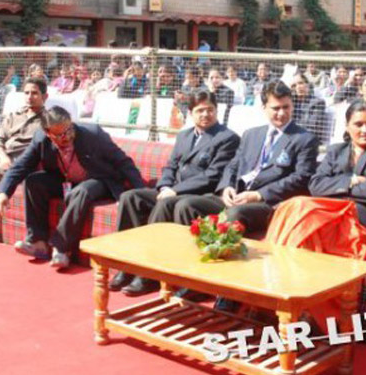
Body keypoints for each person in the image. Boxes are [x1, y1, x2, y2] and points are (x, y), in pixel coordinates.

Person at [110, 90, 240, 295]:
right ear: (190, 113)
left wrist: (174, 190)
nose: (205, 115)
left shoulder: (227, 138)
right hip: (173, 189)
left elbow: (212, 176)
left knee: (166, 203)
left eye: (210, 110)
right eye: (200, 111)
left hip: (201, 194)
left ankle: (149, 274)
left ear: (217, 111)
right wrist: (164, 186)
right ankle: (126, 265)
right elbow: (170, 166)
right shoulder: (184, 135)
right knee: (130, 197)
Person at [0, 106, 143, 270]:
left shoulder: (92, 134)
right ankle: (38, 242)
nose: (67, 136)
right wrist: (3, 193)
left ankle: (62, 248)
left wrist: (140, 191)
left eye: (69, 130)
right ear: (48, 133)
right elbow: (21, 166)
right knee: (33, 182)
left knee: (82, 191)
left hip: (99, 180)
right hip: (65, 179)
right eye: (60, 135)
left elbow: (123, 161)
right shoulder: (40, 139)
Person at [169, 81, 319, 234]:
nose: (281, 113)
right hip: (236, 195)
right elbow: (233, 165)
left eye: (286, 107)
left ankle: (222, 247)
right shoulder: (251, 134)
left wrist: (258, 195)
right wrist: (227, 187)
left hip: (267, 203)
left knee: (234, 214)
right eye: (276, 108)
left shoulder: (304, 139)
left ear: (292, 106)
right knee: (186, 205)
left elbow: (301, 177)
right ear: (264, 108)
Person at [309, 101, 366, 242]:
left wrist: (334, 189)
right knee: (298, 206)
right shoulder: (335, 151)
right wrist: (352, 181)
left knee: (317, 220)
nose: (365, 130)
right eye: (358, 124)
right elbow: (315, 185)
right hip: (334, 211)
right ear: (347, 126)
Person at [0, 77, 47, 200]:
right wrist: (2, 156)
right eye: (26, 93)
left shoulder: (47, 122)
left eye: (34, 93)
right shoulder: (14, 116)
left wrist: (7, 160)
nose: (29, 97)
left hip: (16, 165)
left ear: (45, 96)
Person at [291, 74, 327, 144]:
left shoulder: (317, 103)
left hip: (309, 141)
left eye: (300, 83)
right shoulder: (292, 103)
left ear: (307, 84)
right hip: (293, 139)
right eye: (294, 86)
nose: (298, 87)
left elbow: (313, 127)